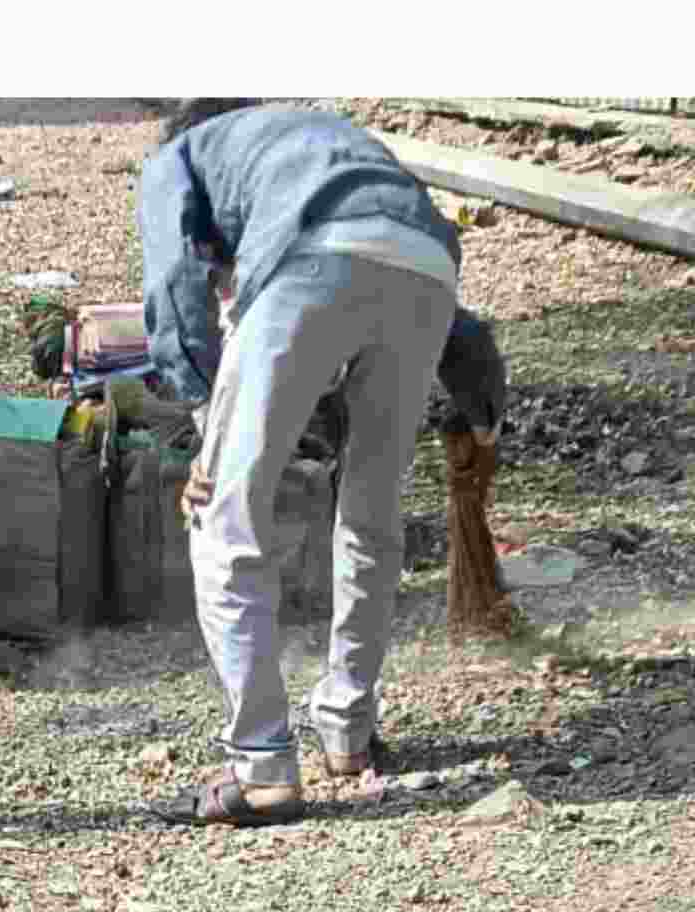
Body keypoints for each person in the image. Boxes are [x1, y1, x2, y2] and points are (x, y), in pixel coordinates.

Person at [139, 100, 506, 825]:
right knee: (371, 512)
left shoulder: (175, 160)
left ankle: (264, 764)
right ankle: (348, 729)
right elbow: (442, 314)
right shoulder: (322, 145)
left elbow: (175, 283)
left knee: (223, 516)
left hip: (309, 257)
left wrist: (206, 419)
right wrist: (484, 418)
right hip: (430, 268)